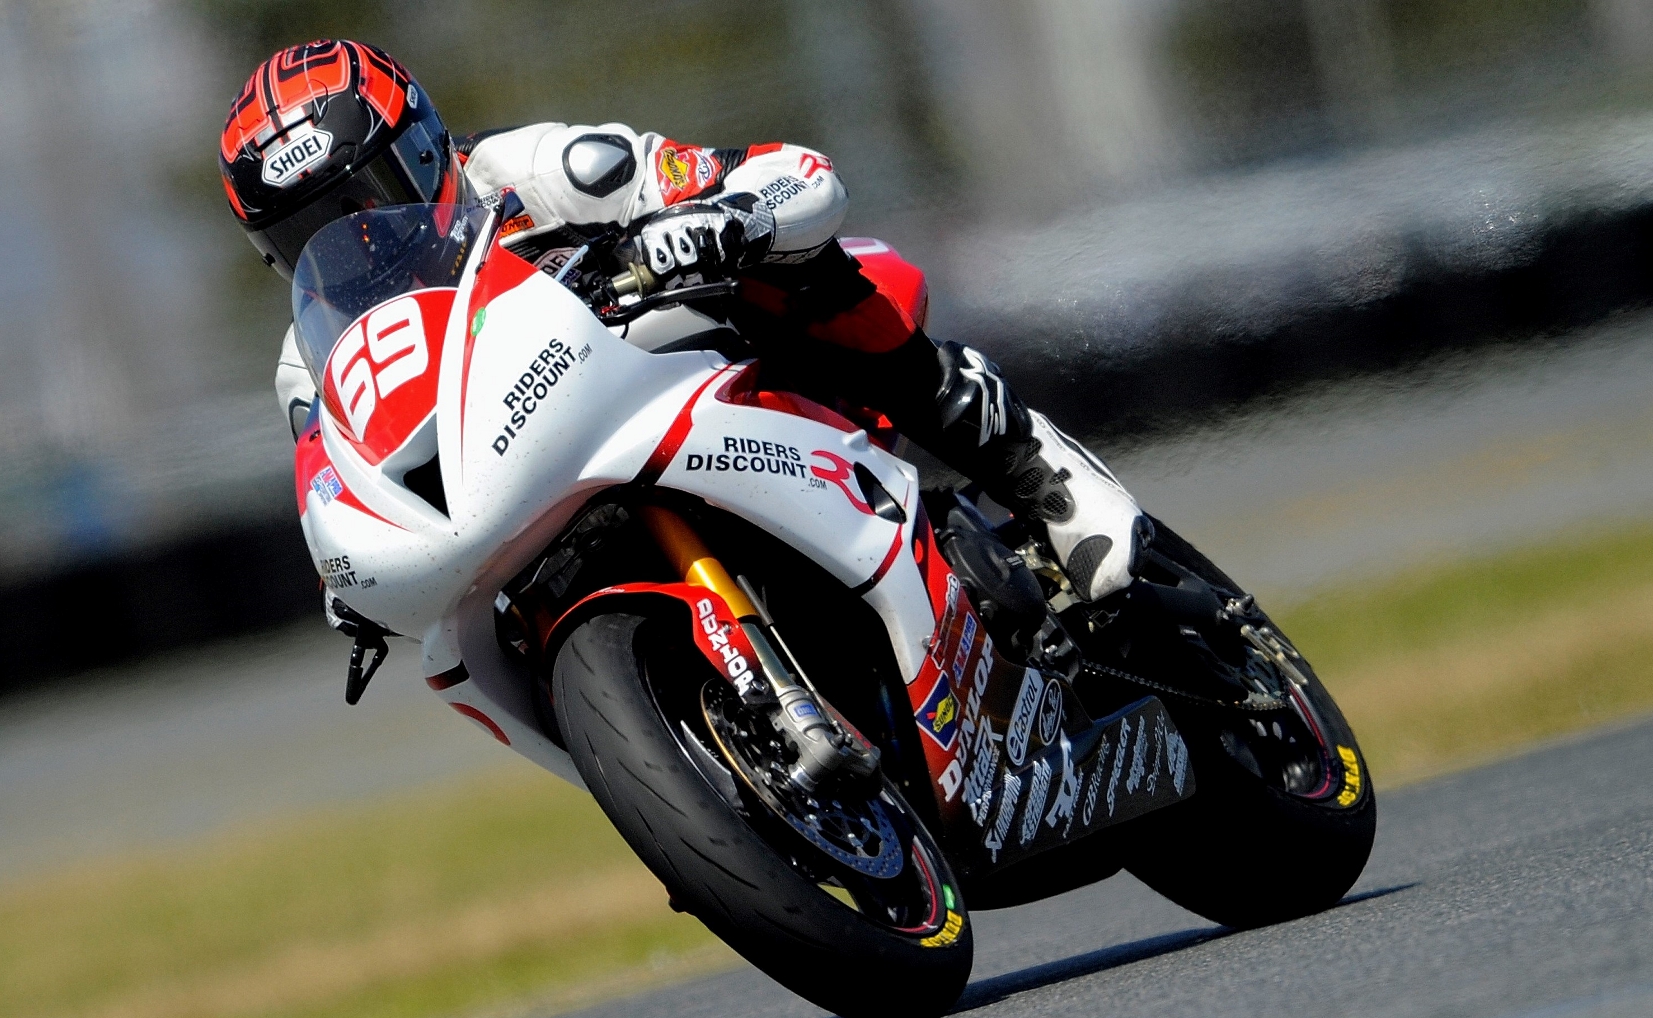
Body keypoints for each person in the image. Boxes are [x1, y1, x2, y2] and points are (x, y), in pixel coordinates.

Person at [220, 40, 1144, 604]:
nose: (360, 241)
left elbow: (796, 175)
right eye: (310, 233)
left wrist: (719, 221)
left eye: (370, 200)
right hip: (521, 485)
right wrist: (350, 579)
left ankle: (1030, 466)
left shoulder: (540, 170)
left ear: (425, 151)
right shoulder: (309, 367)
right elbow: (328, 488)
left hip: (706, 370)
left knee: (791, 270)